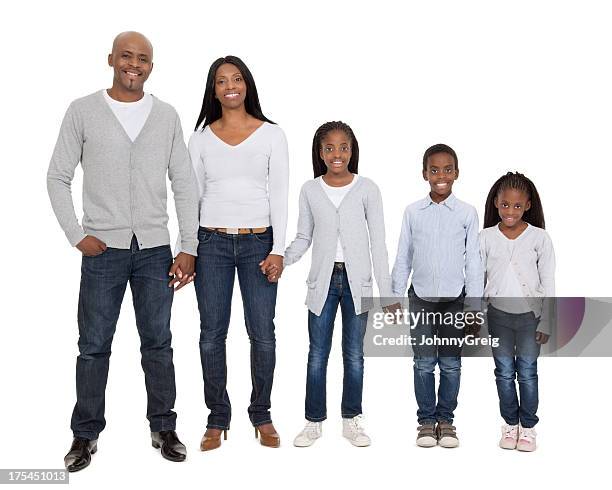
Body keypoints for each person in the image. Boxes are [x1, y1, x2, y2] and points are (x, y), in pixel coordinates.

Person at [47, 32, 199, 471]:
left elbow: (184, 183)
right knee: (93, 345)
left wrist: (187, 247)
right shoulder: (83, 111)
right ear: (111, 59)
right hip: (102, 251)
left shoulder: (166, 115)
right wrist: (76, 234)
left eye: (144, 59)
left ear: (151, 66)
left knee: (159, 343)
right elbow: (57, 176)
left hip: (154, 250)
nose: (135, 64)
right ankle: (85, 434)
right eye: (127, 57)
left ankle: (164, 426)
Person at [181, 56, 289, 450]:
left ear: (247, 85)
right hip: (211, 245)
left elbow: (278, 192)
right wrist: (188, 248)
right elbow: (190, 197)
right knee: (212, 334)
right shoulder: (200, 138)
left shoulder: (272, 135)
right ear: (213, 89)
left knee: (263, 333)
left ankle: (261, 414)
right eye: (222, 80)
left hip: (259, 242)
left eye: (237, 79)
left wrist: (278, 249)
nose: (231, 86)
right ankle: (217, 418)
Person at [281, 121, 396, 447]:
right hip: (323, 283)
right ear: (320, 152)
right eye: (329, 147)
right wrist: (281, 258)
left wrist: (387, 295)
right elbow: (304, 237)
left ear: (352, 150)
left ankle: (351, 420)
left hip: (358, 283)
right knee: (317, 354)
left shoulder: (367, 189)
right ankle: (313, 422)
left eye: (343, 147)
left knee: (354, 355)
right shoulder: (310, 190)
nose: (336, 154)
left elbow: (378, 242)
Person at [391, 144, 483, 448]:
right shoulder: (413, 212)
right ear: (424, 174)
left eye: (447, 169)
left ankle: (446, 420)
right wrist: (394, 297)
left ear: (456, 173)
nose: (440, 175)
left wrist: (474, 306)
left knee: (451, 364)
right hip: (421, 299)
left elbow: (473, 261)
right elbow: (403, 256)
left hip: (455, 300)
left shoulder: (467, 213)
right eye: (434, 170)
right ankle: (426, 422)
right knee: (423, 363)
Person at [480, 172, 555, 452]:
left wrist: (546, 320)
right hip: (498, 315)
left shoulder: (540, 238)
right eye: (504, 205)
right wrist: (474, 314)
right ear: (496, 203)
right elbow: (476, 279)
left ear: (527, 206)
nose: (510, 211)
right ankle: (510, 424)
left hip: (529, 318)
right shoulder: (485, 237)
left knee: (526, 372)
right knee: (503, 372)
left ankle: (529, 428)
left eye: (516, 206)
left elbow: (548, 282)